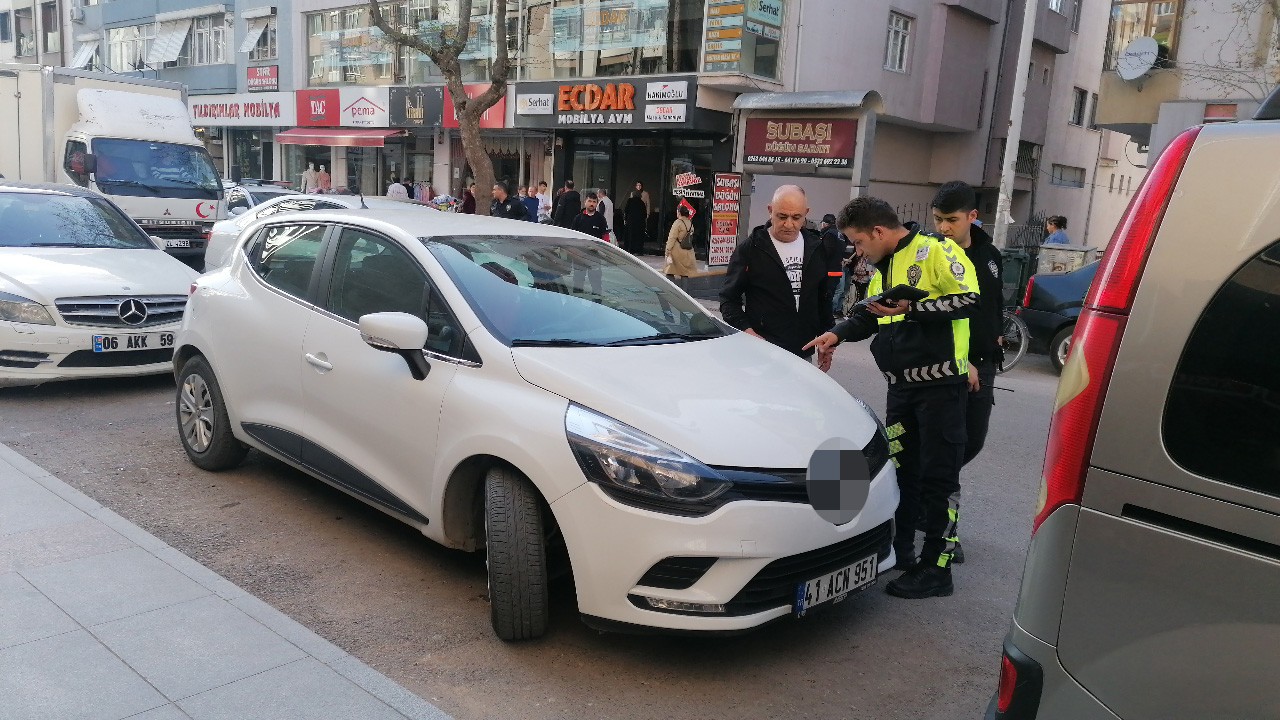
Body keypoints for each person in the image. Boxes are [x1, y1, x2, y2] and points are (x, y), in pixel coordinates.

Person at [804, 197, 979, 599]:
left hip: (941, 388)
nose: (857, 252)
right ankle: (903, 553)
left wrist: (913, 307)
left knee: (939, 480)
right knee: (901, 473)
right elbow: (872, 315)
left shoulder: (937, 250)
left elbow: (971, 299)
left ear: (878, 232)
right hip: (901, 388)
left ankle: (938, 569)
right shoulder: (884, 267)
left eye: (859, 243)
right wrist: (838, 334)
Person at [930, 181, 1004, 565]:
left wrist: (995, 341)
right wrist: (962, 361)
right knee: (950, 450)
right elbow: (929, 317)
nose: (944, 227)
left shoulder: (990, 254)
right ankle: (942, 532)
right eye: (938, 219)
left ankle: (925, 499)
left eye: (951, 220)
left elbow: (991, 306)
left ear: (972, 217)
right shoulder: (930, 257)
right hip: (951, 368)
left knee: (972, 442)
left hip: (986, 364)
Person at [719, 185, 841, 369]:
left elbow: (823, 298)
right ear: (770, 211)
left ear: (806, 214)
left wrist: (827, 340)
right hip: (761, 354)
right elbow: (728, 299)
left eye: (796, 217)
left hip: (803, 353)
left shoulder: (817, 247)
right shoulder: (751, 248)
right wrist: (748, 332)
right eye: (782, 216)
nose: (789, 224)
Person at [569, 191, 609, 295]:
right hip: (579, 255)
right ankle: (576, 302)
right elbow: (572, 238)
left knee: (596, 282)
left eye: (594, 202)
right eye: (589, 201)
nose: (592, 204)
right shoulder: (578, 219)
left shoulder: (601, 219)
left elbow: (605, 237)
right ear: (585, 202)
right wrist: (573, 252)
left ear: (597, 203)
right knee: (578, 282)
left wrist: (602, 249)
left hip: (594, 256)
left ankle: (596, 303)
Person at [820, 213, 852, 315]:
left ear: (825, 224)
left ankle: (828, 316)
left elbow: (826, 253)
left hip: (829, 271)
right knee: (836, 292)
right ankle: (831, 314)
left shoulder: (829, 234)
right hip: (837, 270)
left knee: (826, 297)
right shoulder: (840, 235)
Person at [664, 205, 698, 287]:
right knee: (685, 274)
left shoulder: (678, 223)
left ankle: (672, 290)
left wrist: (668, 251)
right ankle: (684, 293)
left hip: (676, 252)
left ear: (679, 213)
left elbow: (672, 238)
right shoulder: (690, 223)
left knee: (669, 271)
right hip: (687, 252)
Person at [623, 189, 648, 255]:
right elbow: (644, 214)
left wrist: (625, 219)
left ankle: (630, 249)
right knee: (639, 237)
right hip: (640, 223)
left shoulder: (630, 201)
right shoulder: (642, 203)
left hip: (631, 222)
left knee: (630, 236)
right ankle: (639, 251)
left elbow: (626, 210)